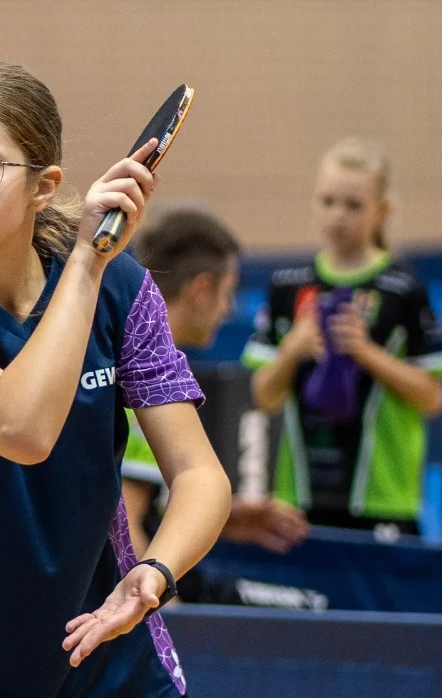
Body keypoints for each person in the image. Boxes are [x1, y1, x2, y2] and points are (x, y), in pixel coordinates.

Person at [0, 58, 231, 698]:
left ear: (43, 186)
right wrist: (86, 259)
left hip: (115, 669)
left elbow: (199, 472)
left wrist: (155, 572)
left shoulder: (120, 289)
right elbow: (20, 428)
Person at [243, 138, 442, 536]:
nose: (338, 216)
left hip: (383, 501)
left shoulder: (403, 288)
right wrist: (293, 350)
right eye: (328, 201)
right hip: (296, 502)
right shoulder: (287, 286)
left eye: (353, 205)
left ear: (382, 212)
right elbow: (261, 397)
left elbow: (433, 397)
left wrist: (364, 351)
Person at [122, 208, 311, 604]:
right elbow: (123, 522)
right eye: (228, 293)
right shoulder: (145, 372)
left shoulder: (131, 348)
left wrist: (225, 519)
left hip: (139, 580)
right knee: (309, 610)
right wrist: (166, 628)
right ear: (200, 289)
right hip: (135, 593)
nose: (228, 309)